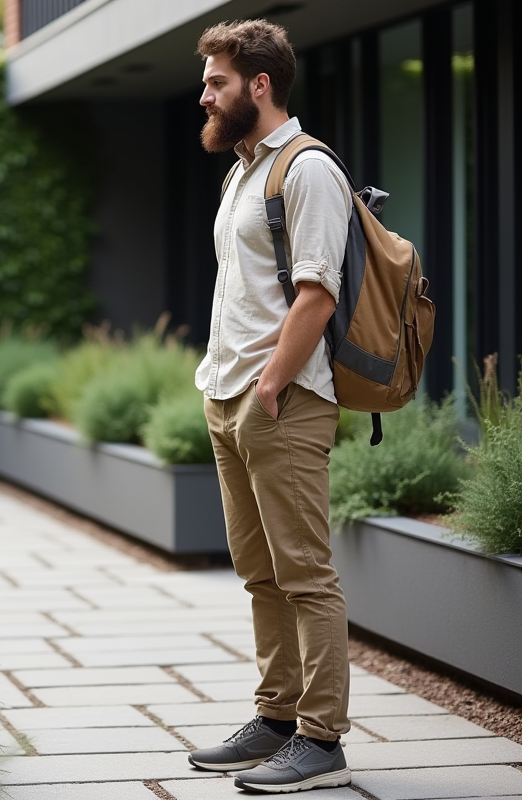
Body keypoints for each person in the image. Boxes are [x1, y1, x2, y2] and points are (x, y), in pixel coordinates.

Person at [185, 19, 354, 794]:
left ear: (259, 85)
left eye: (217, 81)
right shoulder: (242, 171)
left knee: (304, 575)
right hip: (229, 395)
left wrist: (269, 386)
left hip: (280, 402)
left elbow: (317, 294)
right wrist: (229, 387)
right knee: (258, 573)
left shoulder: (308, 168)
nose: (205, 94)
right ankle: (276, 717)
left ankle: (321, 739)